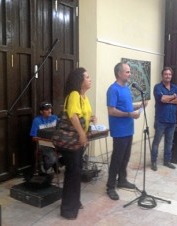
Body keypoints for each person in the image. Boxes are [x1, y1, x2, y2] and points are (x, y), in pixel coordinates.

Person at [60, 67, 96, 220]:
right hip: (73, 141)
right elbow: (73, 116)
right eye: (87, 77)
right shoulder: (74, 94)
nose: (90, 79)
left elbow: (82, 116)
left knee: (76, 172)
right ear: (80, 80)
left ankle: (74, 201)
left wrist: (91, 118)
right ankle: (68, 209)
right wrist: (82, 134)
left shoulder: (84, 97)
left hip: (78, 142)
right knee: (72, 173)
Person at [106, 62, 142, 201]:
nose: (130, 74)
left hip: (128, 129)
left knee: (126, 157)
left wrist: (138, 106)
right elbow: (112, 110)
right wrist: (129, 114)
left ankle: (122, 179)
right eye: (127, 72)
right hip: (119, 130)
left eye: (129, 72)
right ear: (119, 73)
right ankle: (110, 186)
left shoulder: (126, 88)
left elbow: (127, 106)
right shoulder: (113, 89)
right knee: (117, 158)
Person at [151, 66, 177, 171]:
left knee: (169, 142)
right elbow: (161, 99)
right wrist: (173, 97)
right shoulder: (157, 87)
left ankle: (167, 161)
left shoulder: (175, 87)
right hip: (161, 120)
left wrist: (169, 98)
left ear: (171, 76)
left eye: (169, 74)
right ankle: (153, 161)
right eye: (166, 74)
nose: (168, 76)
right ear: (162, 75)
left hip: (172, 120)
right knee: (156, 142)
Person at [30, 102, 58, 172]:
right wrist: (47, 141)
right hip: (43, 144)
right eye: (46, 109)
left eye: (50, 109)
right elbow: (34, 138)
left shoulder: (55, 118)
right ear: (41, 112)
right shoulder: (37, 121)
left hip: (56, 142)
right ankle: (44, 167)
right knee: (52, 158)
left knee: (70, 153)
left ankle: (55, 163)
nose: (49, 111)